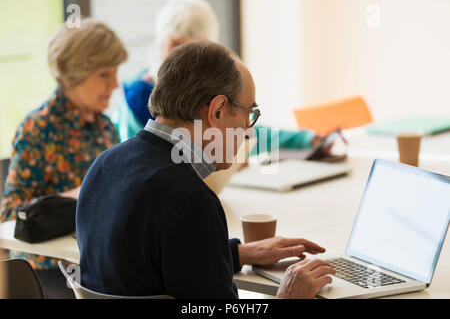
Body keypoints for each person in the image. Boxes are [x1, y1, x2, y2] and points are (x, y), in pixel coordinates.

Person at [77, 41, 335, 299]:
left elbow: (146, 264)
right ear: (218, 111)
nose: (248, 131)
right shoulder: (190, 201)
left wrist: (235, 253)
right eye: (248, 114)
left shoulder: (104, 165)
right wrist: (289, 295)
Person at [0, 19, 127, 298]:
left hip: (98, 262)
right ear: (72, 76)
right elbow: (10, 214)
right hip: (50, 272)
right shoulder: (38, 129)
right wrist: (76, 196)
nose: (115, 83)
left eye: (115, 72)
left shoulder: (106, 127)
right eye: (104, 74)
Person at [112, 0, 323, 154]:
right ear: (162, 43)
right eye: (175, 45)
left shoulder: (210, 89)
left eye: (192, 49)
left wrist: (303, 138)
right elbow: (138, 159)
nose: (182, 58)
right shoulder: (137, 96)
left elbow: (242, 127)